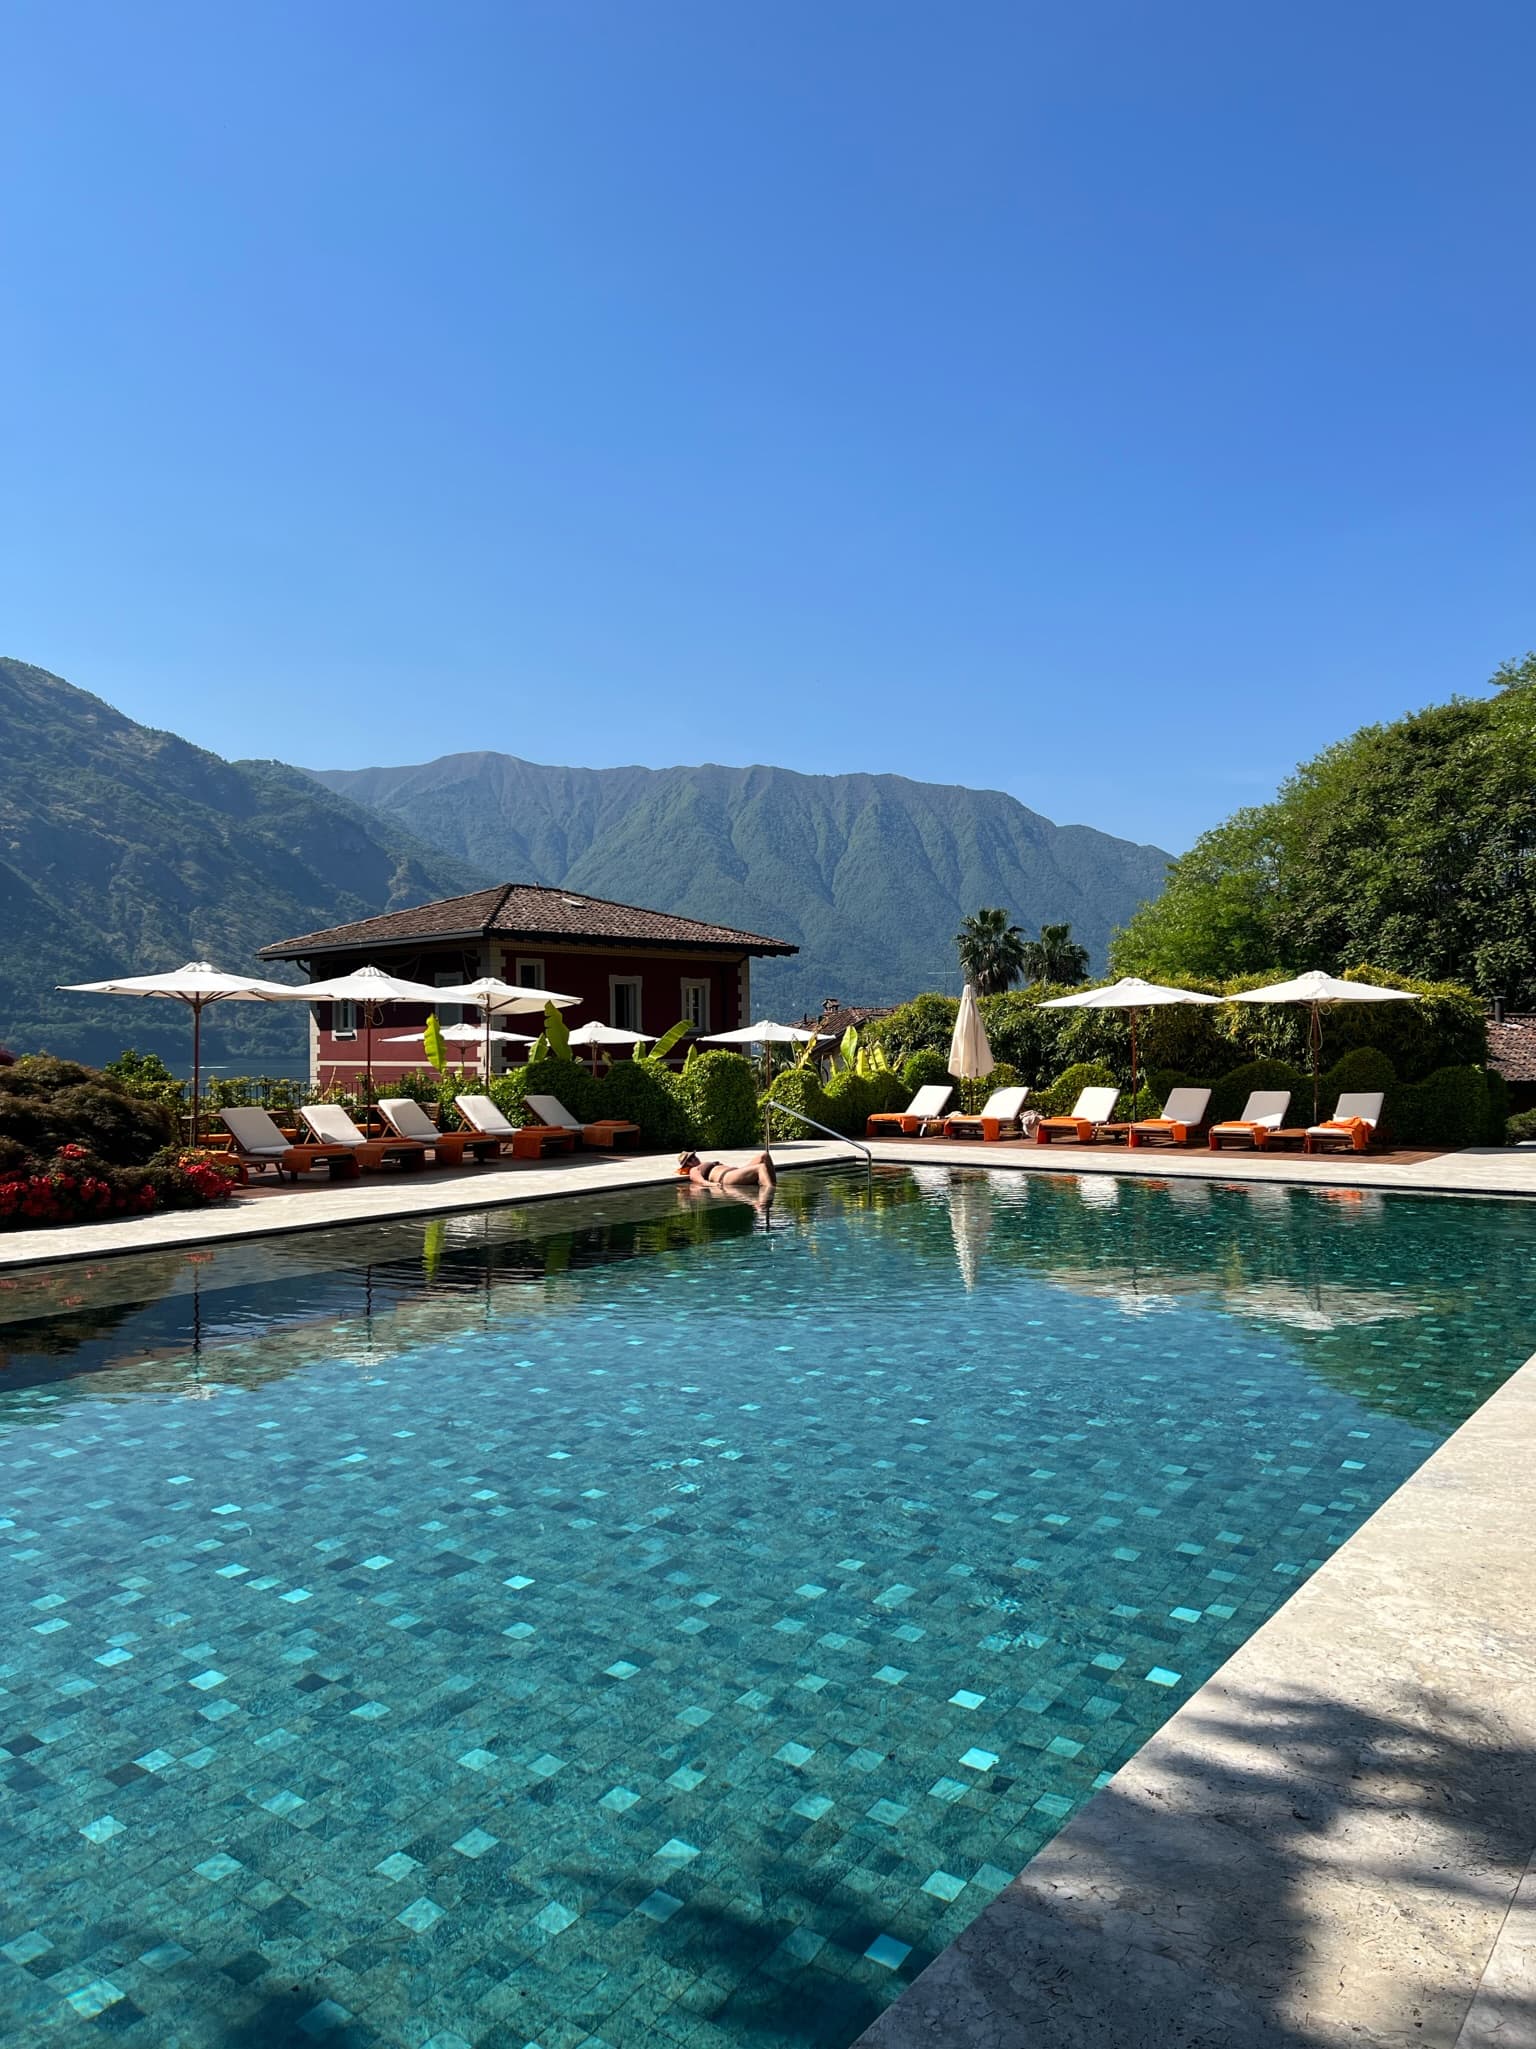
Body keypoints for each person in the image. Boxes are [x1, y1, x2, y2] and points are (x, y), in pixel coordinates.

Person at [676, 1149, 777, 1193]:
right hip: (726, 1177)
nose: (694, 1159)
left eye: (693, 1156)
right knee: (761, 1167)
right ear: (687, 1165)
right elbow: (700, 1181)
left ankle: (773, 1184)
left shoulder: (702, 1164)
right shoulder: (693, 1170)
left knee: (764, 1156)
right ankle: (770, 1192)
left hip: (735, 1171)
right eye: (690, 1159)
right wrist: (713, 1185)